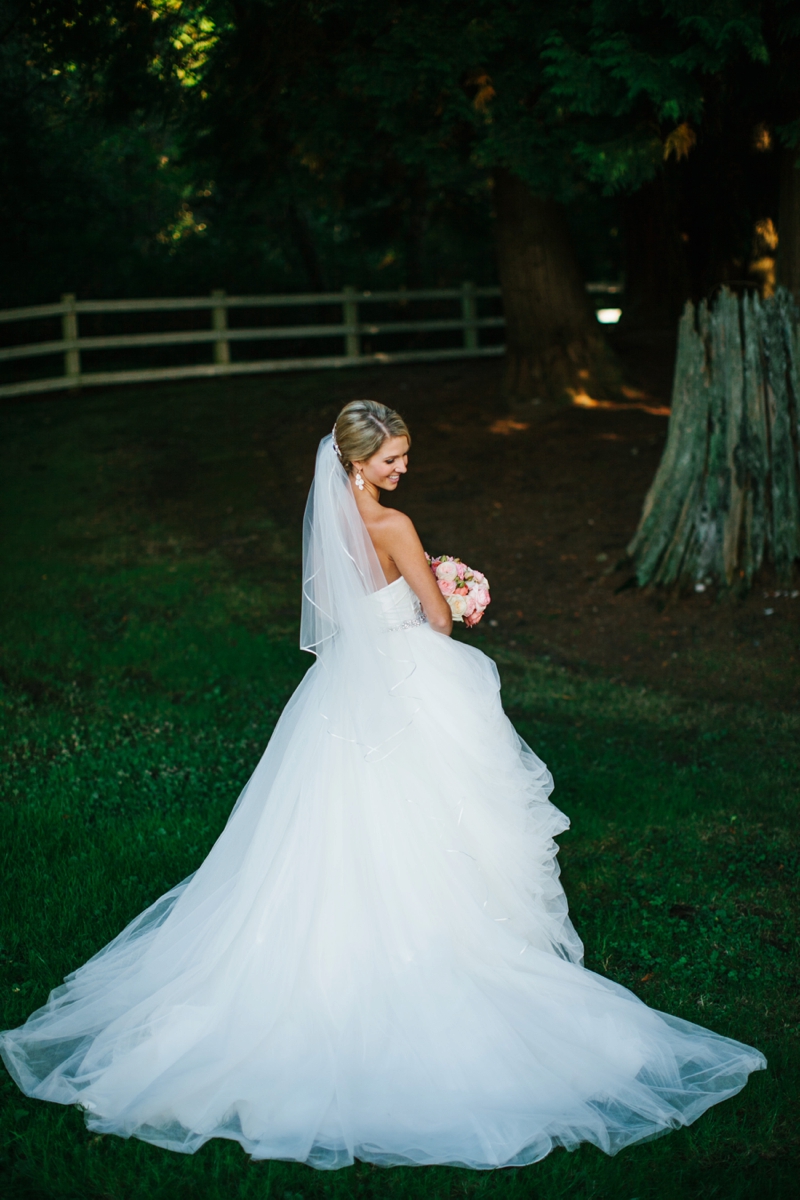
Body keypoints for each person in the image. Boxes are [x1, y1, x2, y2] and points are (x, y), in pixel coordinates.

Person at [0, 400, 765, 1170]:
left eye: (404, 458)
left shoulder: (331, 531)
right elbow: (435, 619)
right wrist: (451, 592)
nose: (404, 470)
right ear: (359, 462)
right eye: (394, 459)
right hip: (410, 680)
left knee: (333, 824)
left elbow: (338, 618)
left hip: (344, 693)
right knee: (445, 817)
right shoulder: (394, 527)